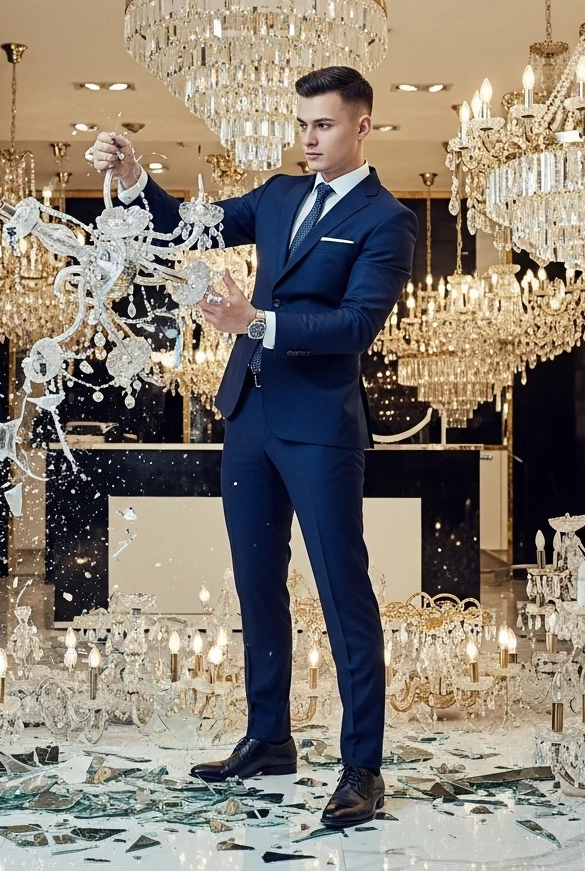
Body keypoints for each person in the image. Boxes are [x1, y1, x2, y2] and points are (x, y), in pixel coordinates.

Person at [88, 65, 417, 828]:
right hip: (249, 416)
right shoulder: (277, 195)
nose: (309, 137)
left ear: (362, 126)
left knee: (343, 594)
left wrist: (255, 323)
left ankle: (363, 767)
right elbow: (184, 226)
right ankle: (269, 739)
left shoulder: (387, 220)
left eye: (324, 124)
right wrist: (135, 178)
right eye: (302, 124)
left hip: (321, 427)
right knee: (257, 585)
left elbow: (356, 326)